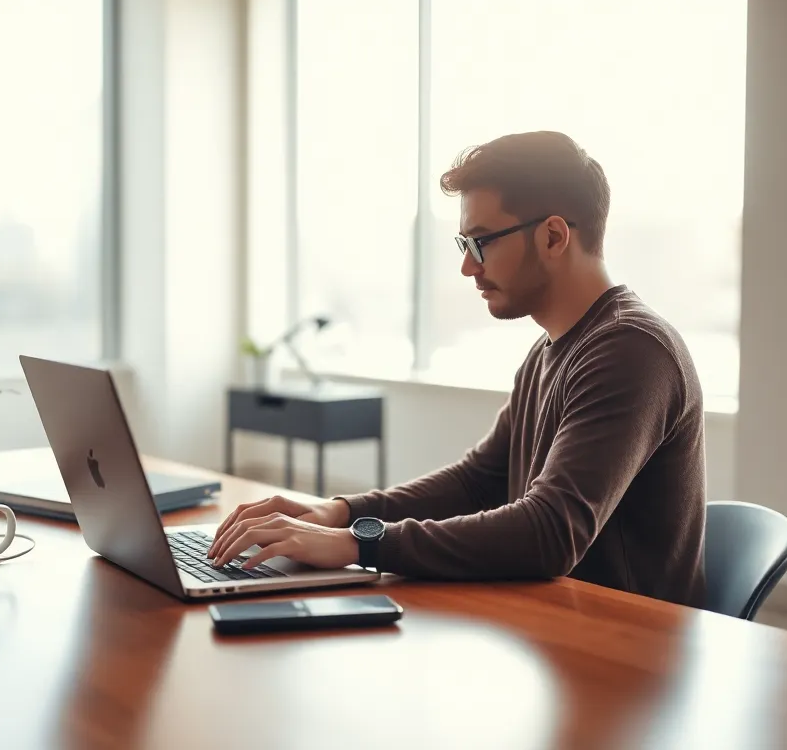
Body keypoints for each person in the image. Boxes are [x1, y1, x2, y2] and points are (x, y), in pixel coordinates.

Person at [208, 131, 707, 607]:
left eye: (482, 242)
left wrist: (357, 545)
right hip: (551, 626)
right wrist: (340, 513)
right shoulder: (549, 351)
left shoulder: (631, 350)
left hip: (624, 656)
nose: (468, 267)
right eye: (463, 245)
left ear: (554, 236)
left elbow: (551, 531)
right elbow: (476, 482)